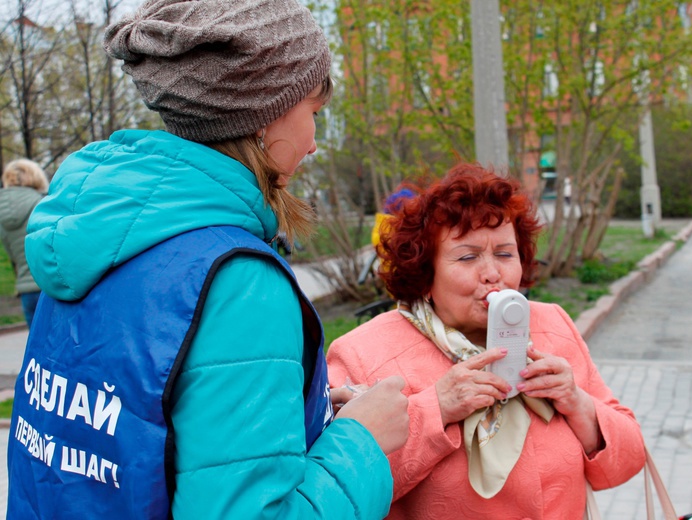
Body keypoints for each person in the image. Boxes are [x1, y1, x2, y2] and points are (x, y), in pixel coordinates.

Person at [7, 1, 408, 518]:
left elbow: (145, 421)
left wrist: (294, 412)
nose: (313, 143)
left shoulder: (95, 239)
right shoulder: (239, 283)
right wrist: (361, 443)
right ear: (264, 116)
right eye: (314, 111)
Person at [327, 163, 646, 519]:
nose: (493, 274)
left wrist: (576, 402)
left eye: (505, 254)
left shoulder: (552, 325)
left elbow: (628, 460)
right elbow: (338, 494)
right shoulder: (362, 353)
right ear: (425, 275)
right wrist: (437, 408)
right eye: (468, 257)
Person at [0, 159, 48, 326]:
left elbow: (13, 254)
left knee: (36, 350)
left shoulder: (2, 213)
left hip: (26, 290)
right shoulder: (43, 203)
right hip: (50, 286)